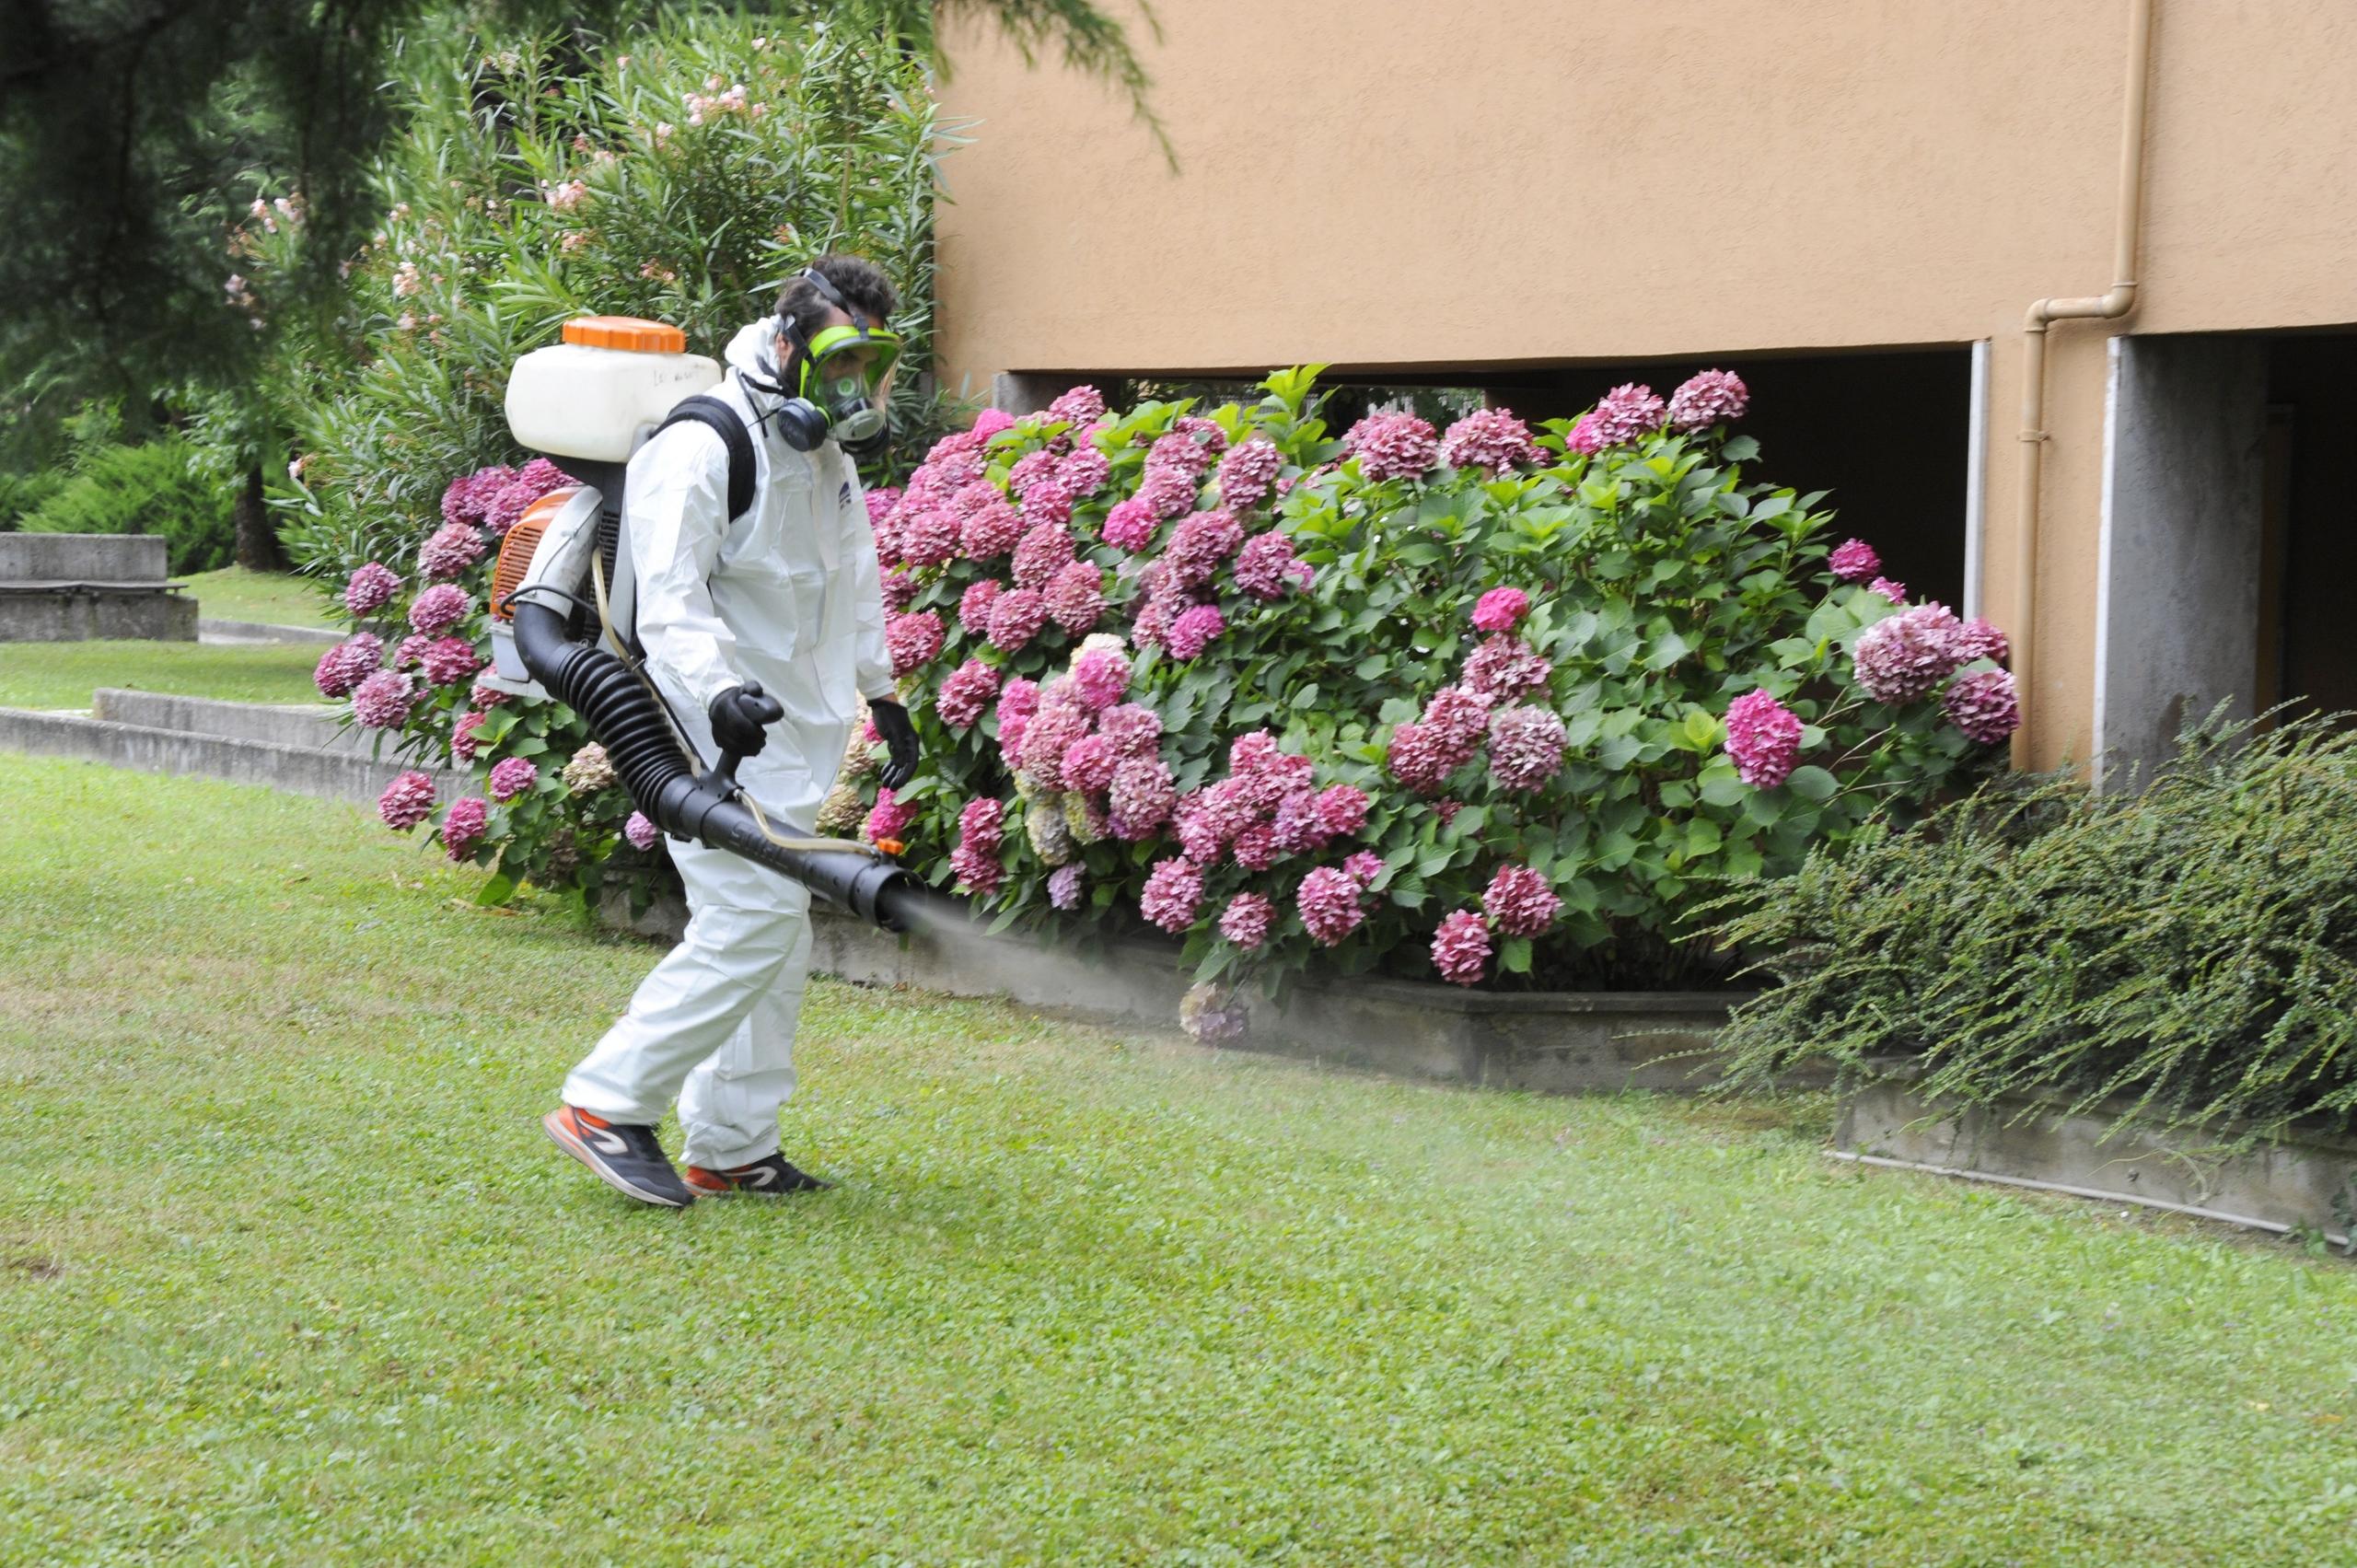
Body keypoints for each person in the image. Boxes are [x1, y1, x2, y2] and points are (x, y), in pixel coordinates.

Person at [542, 255, 920, 1208]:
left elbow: (852, 571)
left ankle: (733, 1143)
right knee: (752, 919)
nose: (851, 385)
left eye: (867, 365)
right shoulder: (704, 442)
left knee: (773, 931)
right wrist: (715, 693)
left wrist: (883, 691)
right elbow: (668, 601)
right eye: (840, 359)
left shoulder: (821, 445)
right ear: (789, 343)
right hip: (707, 731)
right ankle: (603, 1101)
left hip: (793, 729)